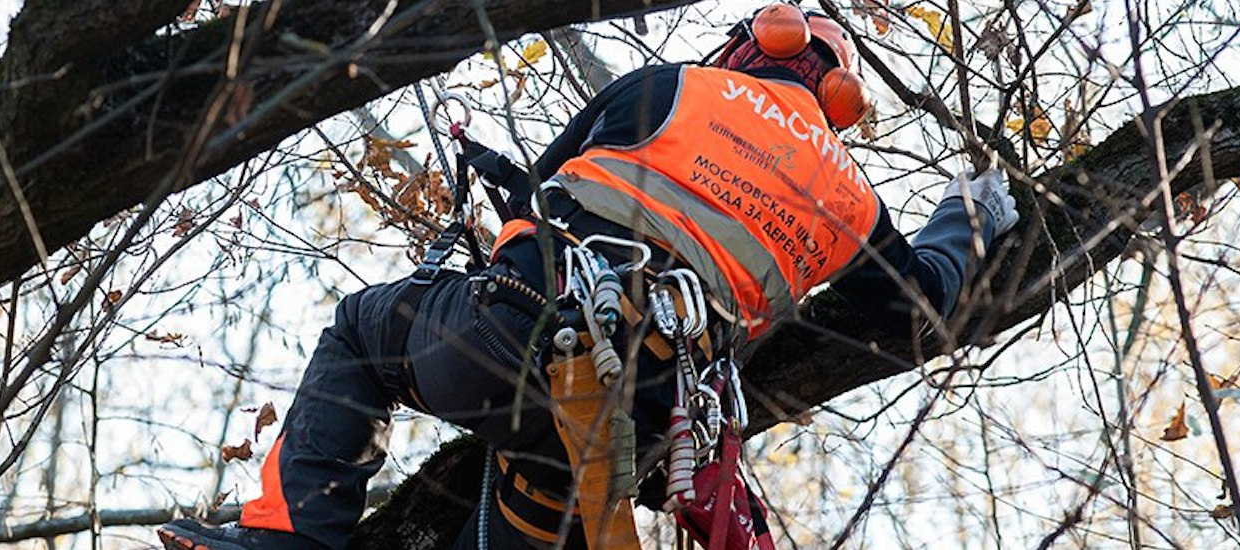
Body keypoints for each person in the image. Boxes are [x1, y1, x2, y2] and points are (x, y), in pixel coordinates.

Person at [156, 3, 1019, 549]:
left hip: (518, 330)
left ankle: (285, 543)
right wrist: (968, 214)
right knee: (539, 501)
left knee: (361, 331)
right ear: (831, 97)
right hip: (639, 424)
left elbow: (537, 196)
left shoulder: (670, 88)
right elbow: (922, 305)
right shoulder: (847, 196)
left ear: (750, 47)